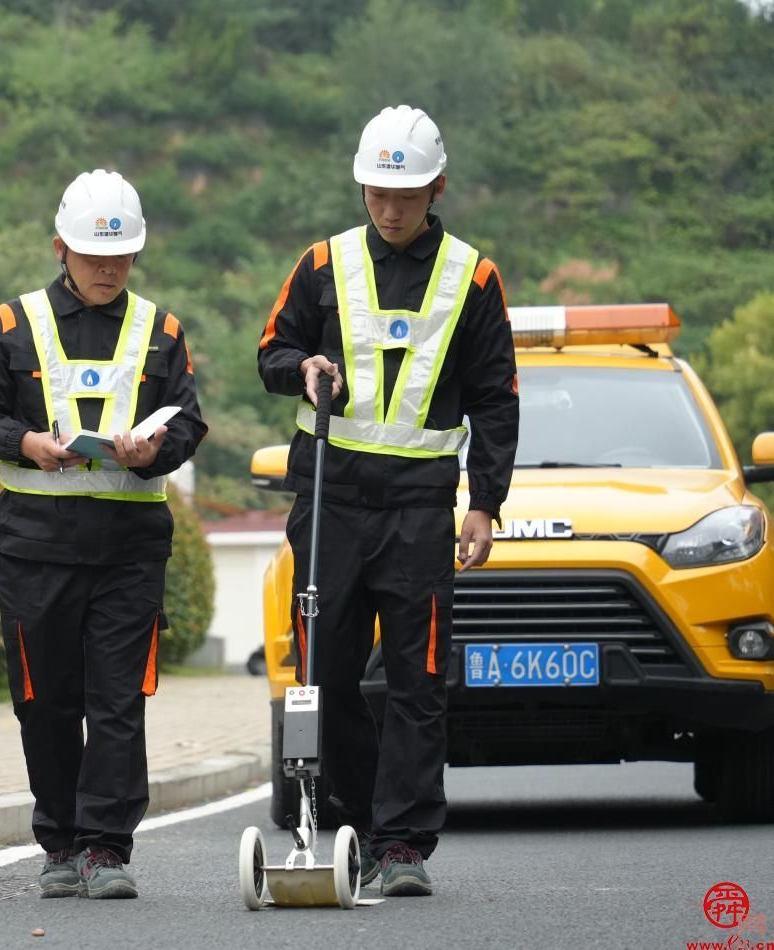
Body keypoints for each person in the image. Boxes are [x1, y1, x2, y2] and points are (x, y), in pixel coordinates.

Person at [256, 105, 518, 897]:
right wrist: (301, 366)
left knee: (418, 678)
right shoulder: (320, 265)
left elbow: (496, 401)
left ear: (437, 187)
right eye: (377, 193)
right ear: (361, 186)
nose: (391, 209)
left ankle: (403, 847)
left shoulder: (473, 276)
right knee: (324, 673)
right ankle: (366, 820)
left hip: (417, 507)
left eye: (405, 195)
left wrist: (485, 504)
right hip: (330, 500)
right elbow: (270, 352)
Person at [0, 169, 206, 900]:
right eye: (96, 256)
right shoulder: (9, 325)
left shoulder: (162, 330)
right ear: (60, 247)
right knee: (46, 701)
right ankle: (59, 841)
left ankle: (107, 849)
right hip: (35, 547)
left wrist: (154, 451)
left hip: (130, 548)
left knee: (118, 700)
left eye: (122, 255)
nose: (108, 269)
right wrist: (26, 442)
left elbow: (188, 421)